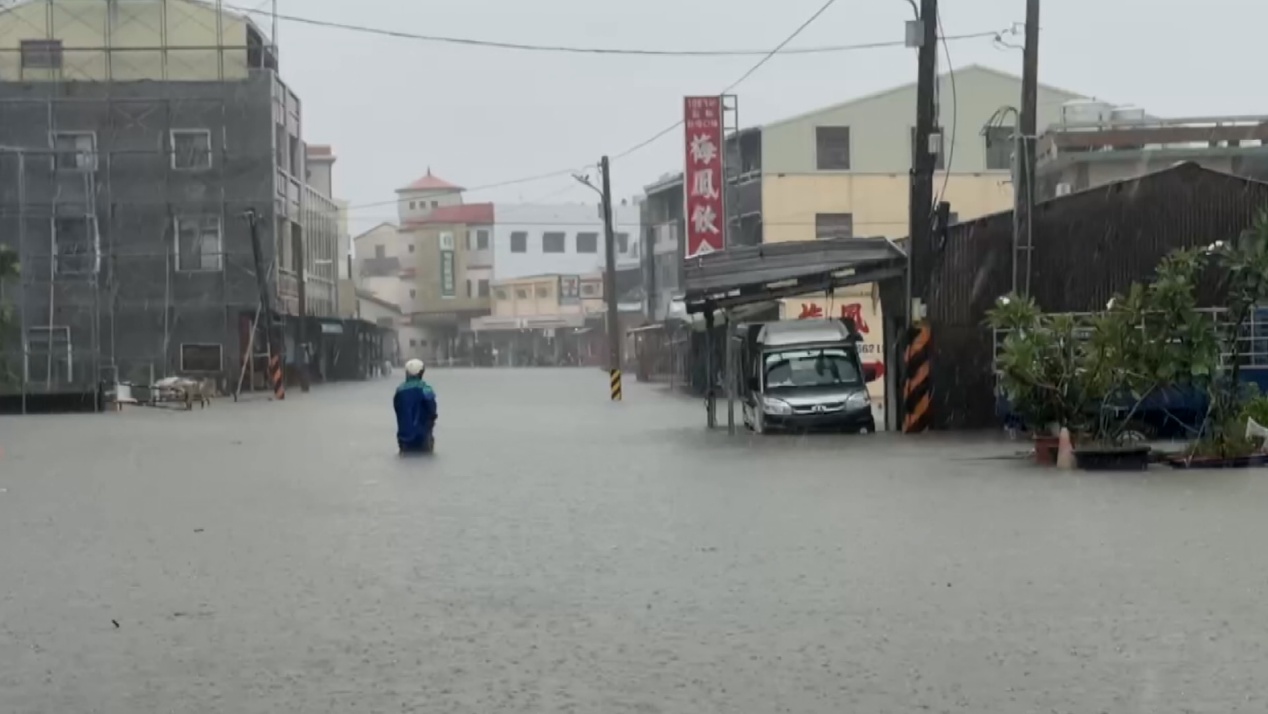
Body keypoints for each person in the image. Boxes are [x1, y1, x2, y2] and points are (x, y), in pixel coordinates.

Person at [394, 359, 437, 453]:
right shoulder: (426, 389)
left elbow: (397, 409)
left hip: (403, 437)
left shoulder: (399, 391)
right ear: (421, 373)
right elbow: (432, 411)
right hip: (422, 436)